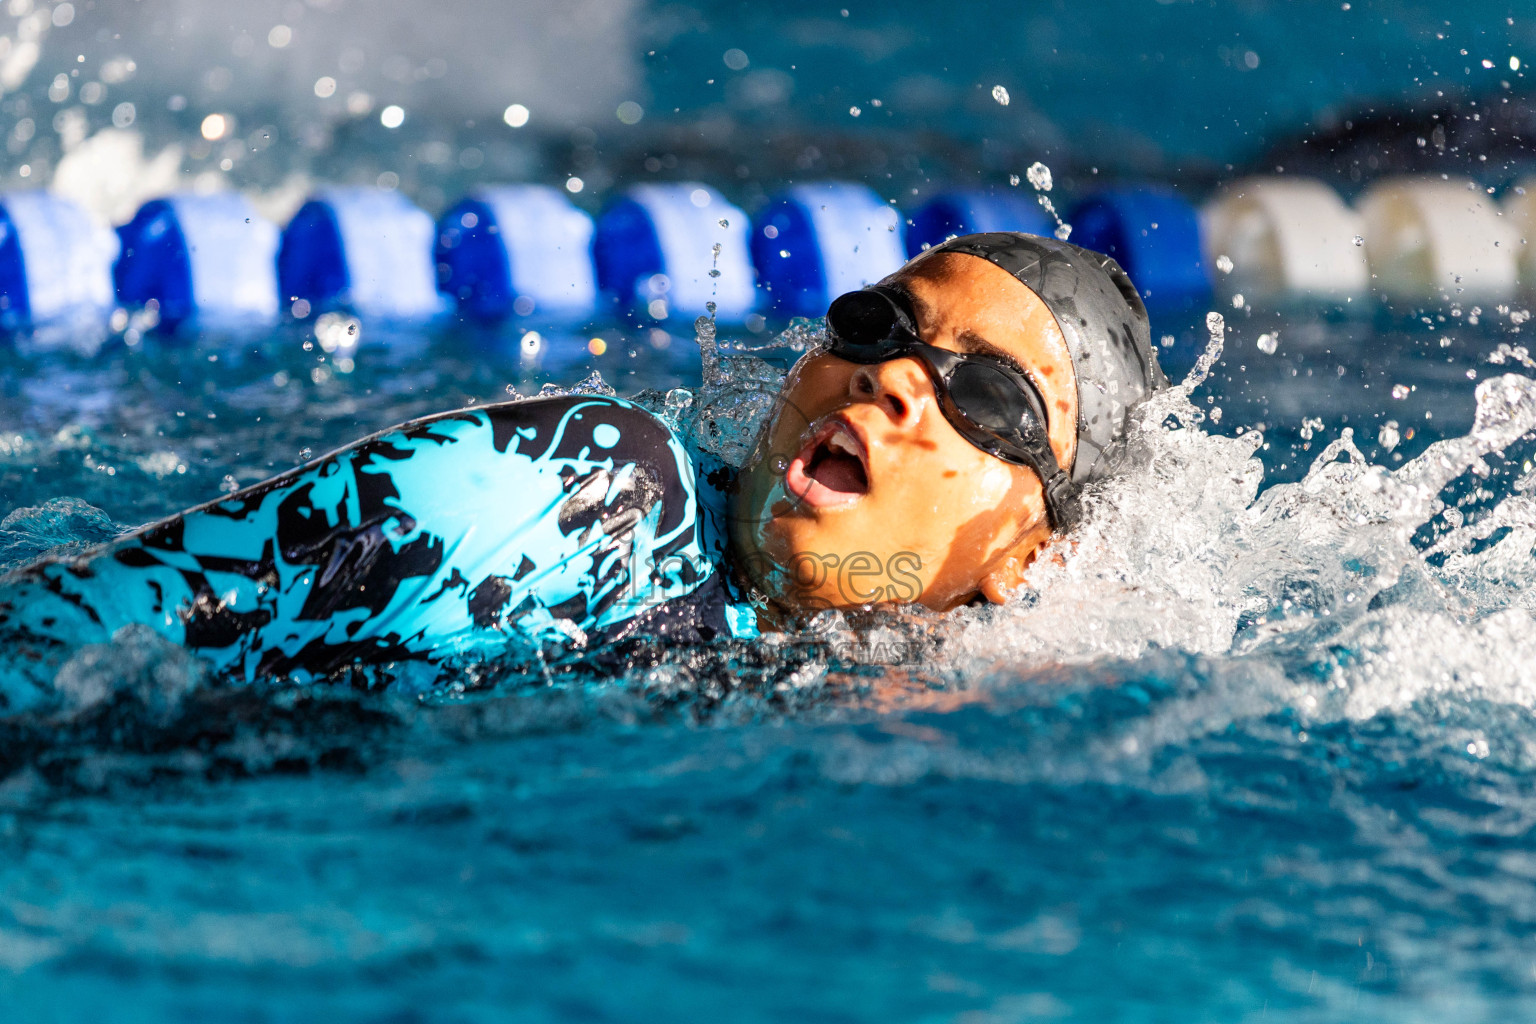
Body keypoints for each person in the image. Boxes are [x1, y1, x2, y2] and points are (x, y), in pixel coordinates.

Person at [0, 232, 1165, 709]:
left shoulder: (927, 703)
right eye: (876, 325)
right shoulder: (594, 492)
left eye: (989, 397)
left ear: (1028, 555)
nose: (897, 380)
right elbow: (108, 620)